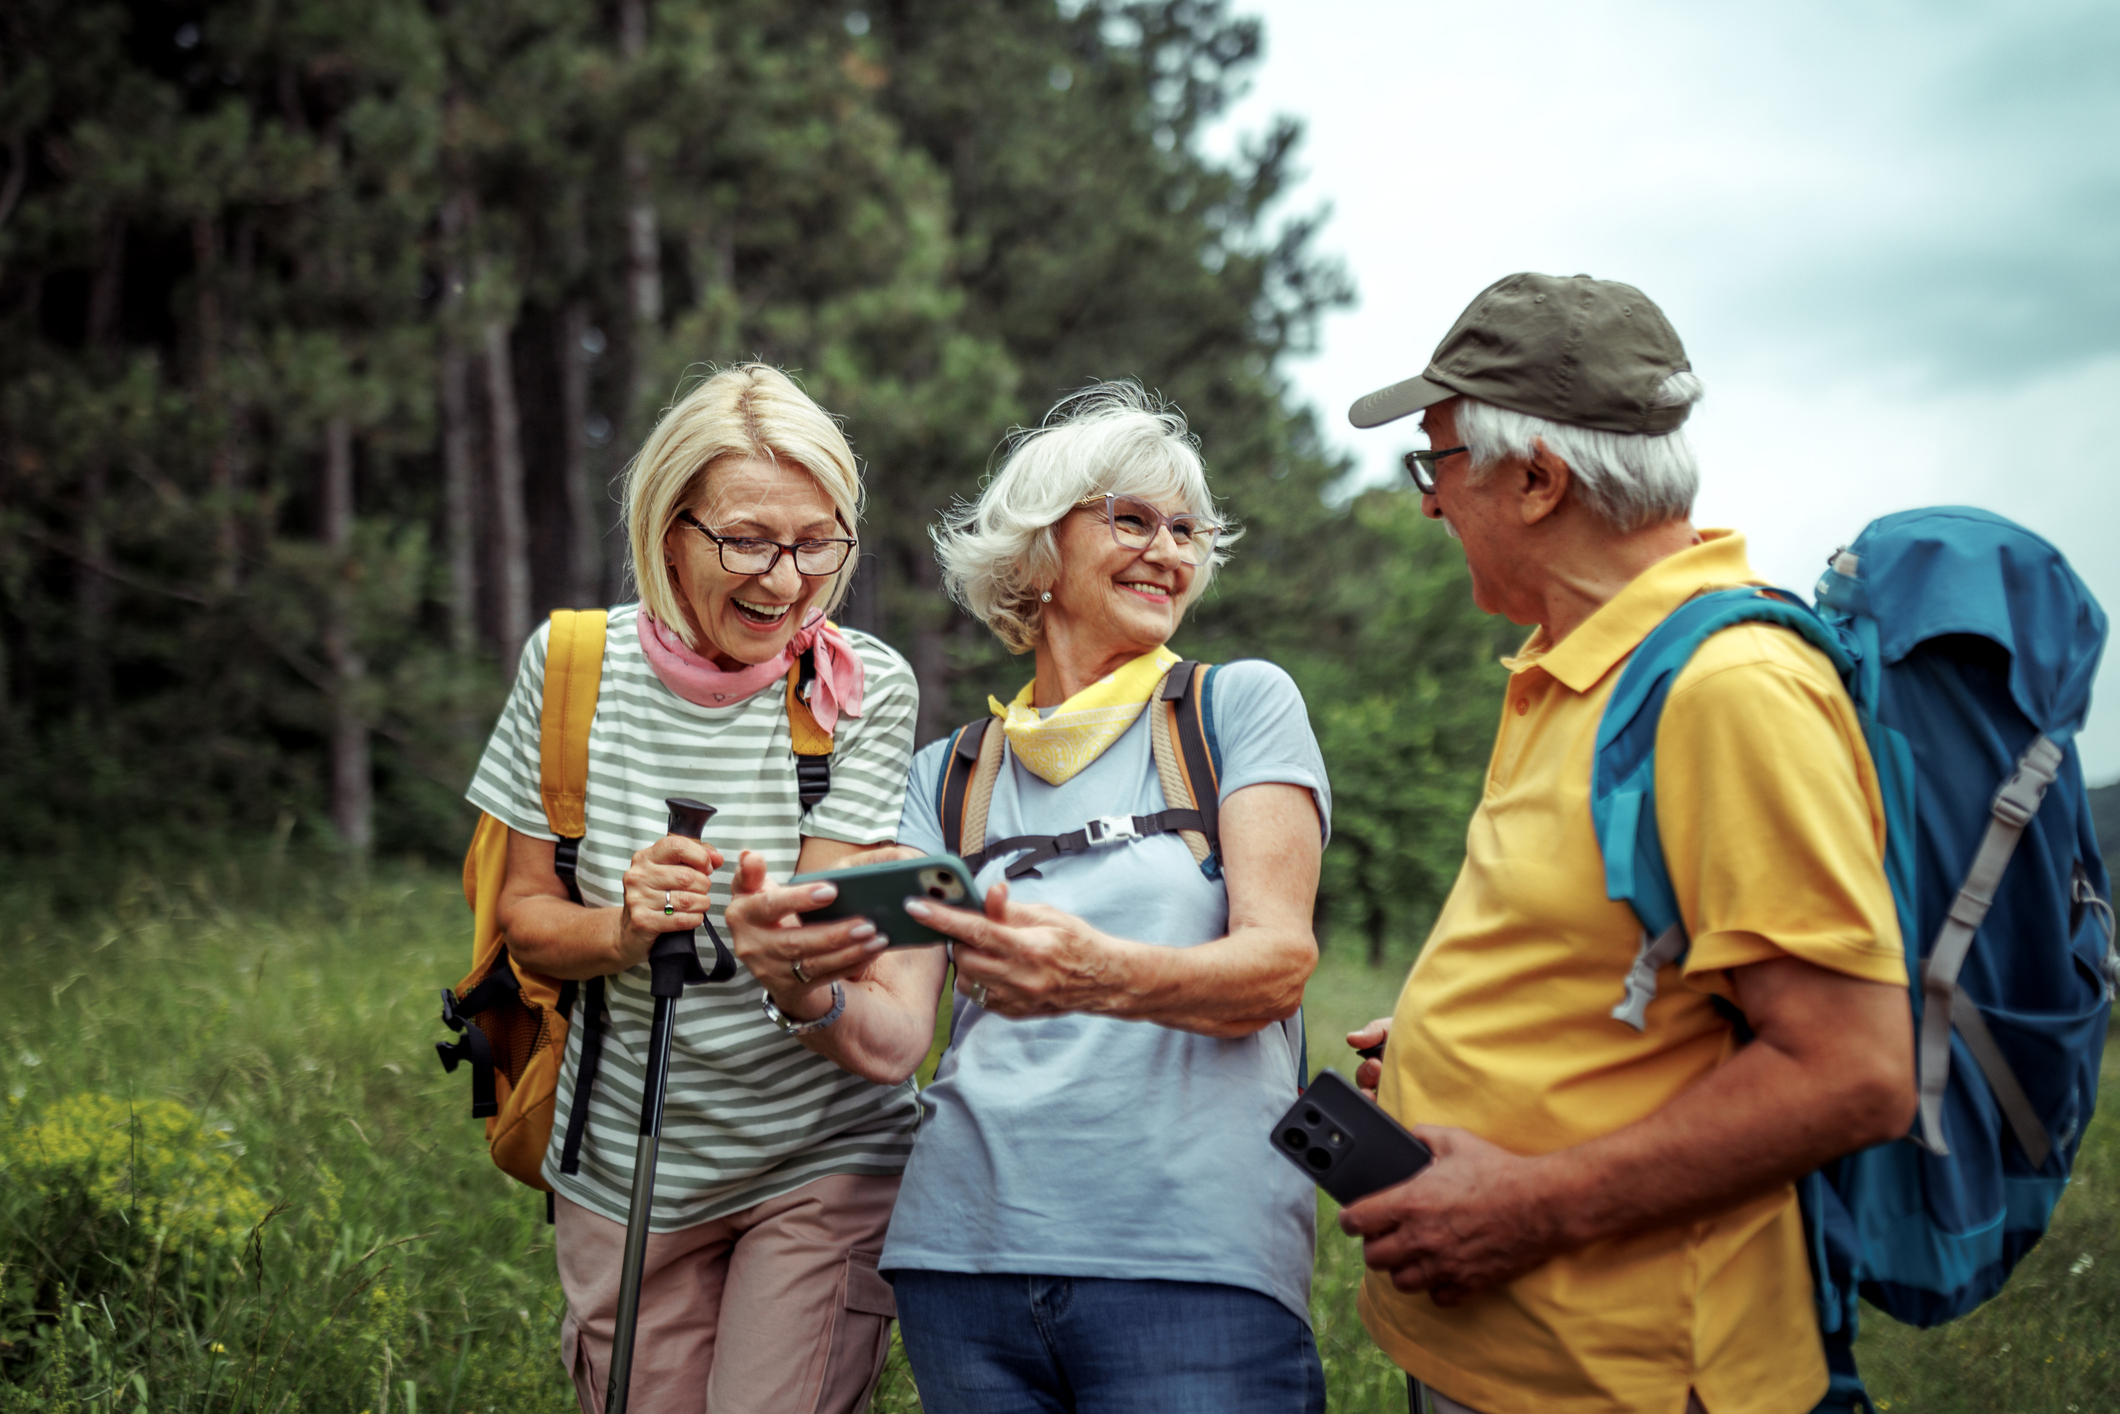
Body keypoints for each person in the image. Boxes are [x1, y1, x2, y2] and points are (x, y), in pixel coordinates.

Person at [1335, 273, 1919, 1414]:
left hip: (1628, 1377)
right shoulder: (1576, 662)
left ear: (1538, 479)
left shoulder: (1727, 689)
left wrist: (1521, 1205)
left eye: (1435, 463)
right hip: (1508, 1359)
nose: (1426, 503)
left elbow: (1851, 1067)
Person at [724, 382, 1333, 1414]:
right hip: (960, 1269)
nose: (1169, 551)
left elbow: (1274, 967)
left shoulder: (1235, 708)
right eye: (1130, 520)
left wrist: (1093, 972)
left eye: (1186, 530)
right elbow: (888, 1038)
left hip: (1191, 1266)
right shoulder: (946, 774)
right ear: (1037, 550)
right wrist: (794, 983)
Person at [465, 364, 921, 1413]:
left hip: (821, 1150)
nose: (785, 577)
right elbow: (526, 922)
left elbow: (832, 932)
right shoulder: (572, 666)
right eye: (748, 539)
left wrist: (789, 942)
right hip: (625, 1163)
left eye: (818, 540)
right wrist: (623, 930)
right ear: (670, 531)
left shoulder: (864, 687)